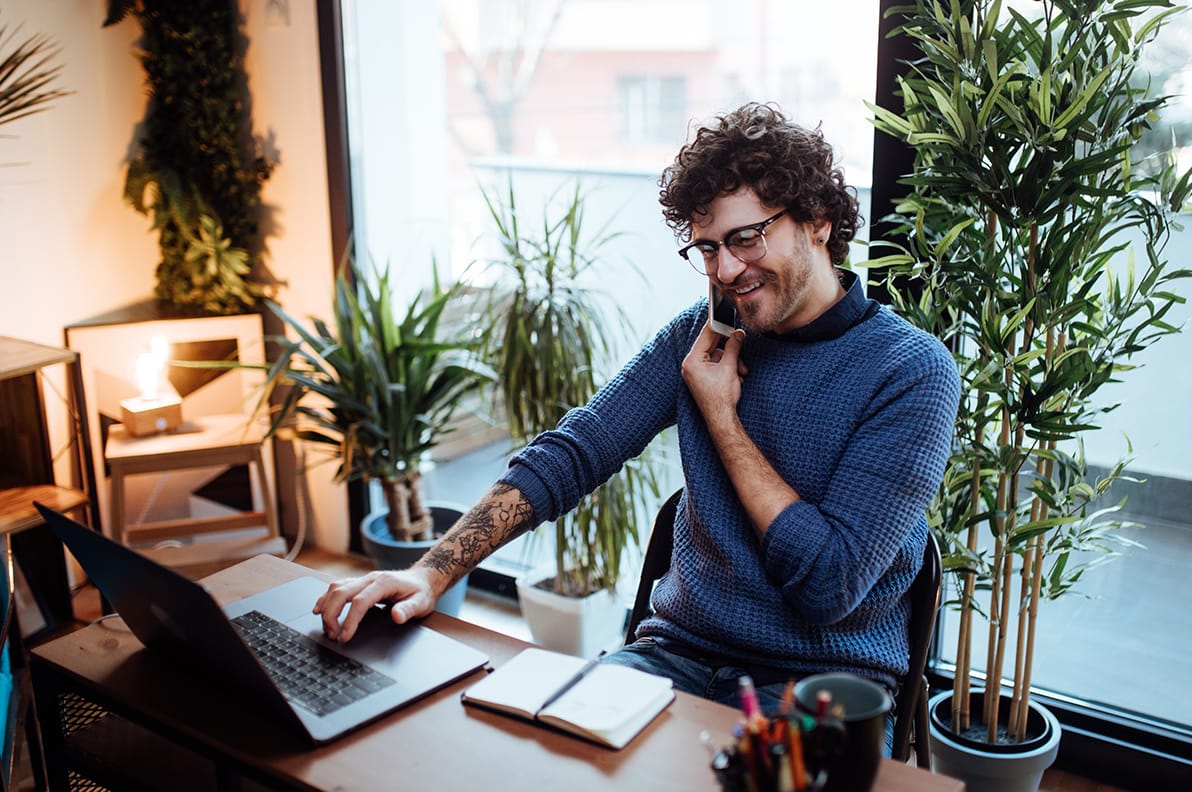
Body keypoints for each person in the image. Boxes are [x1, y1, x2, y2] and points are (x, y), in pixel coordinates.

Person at [314, 102, 960, 730]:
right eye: (707, 248)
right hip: (673, 655)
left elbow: (827, 585)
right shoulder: (699, 337)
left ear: (817, 219)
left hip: (820, 685)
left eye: (744, 237)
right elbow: (576, 451)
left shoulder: (910, 369)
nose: (726, 270)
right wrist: (432, 569)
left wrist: (722, 416)